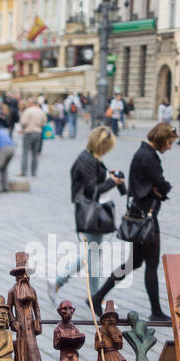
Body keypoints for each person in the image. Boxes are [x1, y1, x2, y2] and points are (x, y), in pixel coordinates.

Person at [92, 122, 177, 320]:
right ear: (161, 139)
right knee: (151, 263)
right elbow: (161, 185)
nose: (170, 147)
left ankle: (97, 297)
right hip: (146, 219)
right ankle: (156, 311)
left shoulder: (144, 153)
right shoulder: (147, 157)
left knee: (135, 262)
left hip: (141, 215)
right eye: (169, 142)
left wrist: (159, 189)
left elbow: (156, 186)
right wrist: (161, 189)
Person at [54, 126, 125, 304]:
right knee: (93, 257)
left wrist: (108, 177)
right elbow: (91, 190)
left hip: (93, 212)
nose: (107, 150)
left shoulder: (91, 157)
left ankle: (60, 281)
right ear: (101, 145)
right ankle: (94, 297)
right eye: (106, 147)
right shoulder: (87, 160)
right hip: (90, 213)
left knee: (91, 256)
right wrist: (112, 182)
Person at [18, 98, 47, 177]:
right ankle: (33, 172)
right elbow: (44, 123)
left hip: (28, 132)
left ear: (30, 104)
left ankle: (24, 171)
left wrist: (23, 128)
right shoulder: (41, 111)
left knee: (25, 153)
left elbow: (23, 122)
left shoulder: (27, 111)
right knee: (35, 154)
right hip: (38, 133)